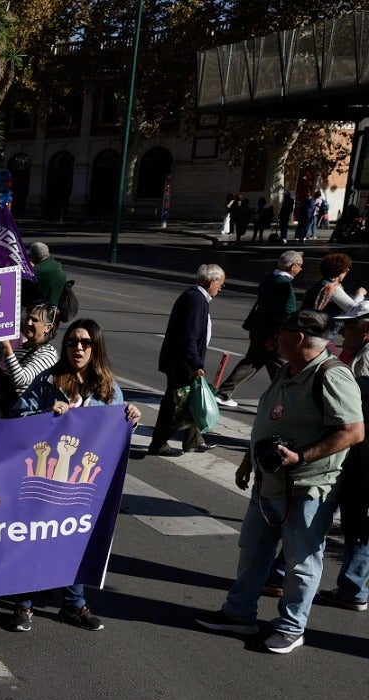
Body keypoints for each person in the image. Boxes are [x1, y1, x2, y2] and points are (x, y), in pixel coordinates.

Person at [195, 309, 365, 652]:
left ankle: (291, 626)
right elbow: (268, 422)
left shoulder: (331, 375)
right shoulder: (289, 371)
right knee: (253, 551)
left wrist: (301, 457)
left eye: (281, 333)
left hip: (307, 488)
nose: (274, 340)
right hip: (268, 482)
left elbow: (353, 431)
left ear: (299, 338)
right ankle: (238, 614)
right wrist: (248, 460)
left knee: (301, 562)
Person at [11, 319, 143, 632]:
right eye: (72, 342)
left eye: (85, 342)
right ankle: (24, 602)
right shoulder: (49, 380)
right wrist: (48, 416)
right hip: (47, 476)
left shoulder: (108, 387)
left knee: (77, 539)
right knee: (37, 537)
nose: (78, 348)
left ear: (96, 347)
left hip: (84, 481)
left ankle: (73, 603)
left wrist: (131, 420)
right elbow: (18, 415)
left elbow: (116, 434)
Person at [319, 308, 369, 609]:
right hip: (358, 454)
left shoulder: (364, 361)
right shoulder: (359, 353)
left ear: (365, 329)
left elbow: (353, 412)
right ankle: (353, 590)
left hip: (358, 455)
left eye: (349, 327)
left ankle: (353, 590)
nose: (342, 332)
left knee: (356, 523)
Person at [147, 264, 225, 455]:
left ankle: (193, 440)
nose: (221, 288)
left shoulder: (197, 298)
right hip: (181, 364)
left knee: (192, 400)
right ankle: (158, 443)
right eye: (220, 284)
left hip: (182, 362)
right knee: (174, 405)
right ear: (211, 281)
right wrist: (196, 363)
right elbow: (188, 336)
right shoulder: (195, 300)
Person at [219, 250, 302, 405]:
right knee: (281, 369)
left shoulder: (268, 279)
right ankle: (285, 402)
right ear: (292, 266)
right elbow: (288, 313)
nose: (301, 269)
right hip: (272, 335)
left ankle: (223, 393)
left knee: (251, 362)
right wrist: (280, 336)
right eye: (300, 265)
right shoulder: (285, 285)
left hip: (258, 329)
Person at [0, 303, 60, 394]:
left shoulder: (47, 354)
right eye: (28, 318)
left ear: (48, 328)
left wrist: (7, 347)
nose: (28, 323)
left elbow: (21, 380)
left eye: (34, 320)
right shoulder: (23, 347)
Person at [26, 242, 67, 308]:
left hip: (39, 309)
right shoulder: (58, 265)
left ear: (34, 256)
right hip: (57, 307)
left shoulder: (35, 272)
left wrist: (31, 269)